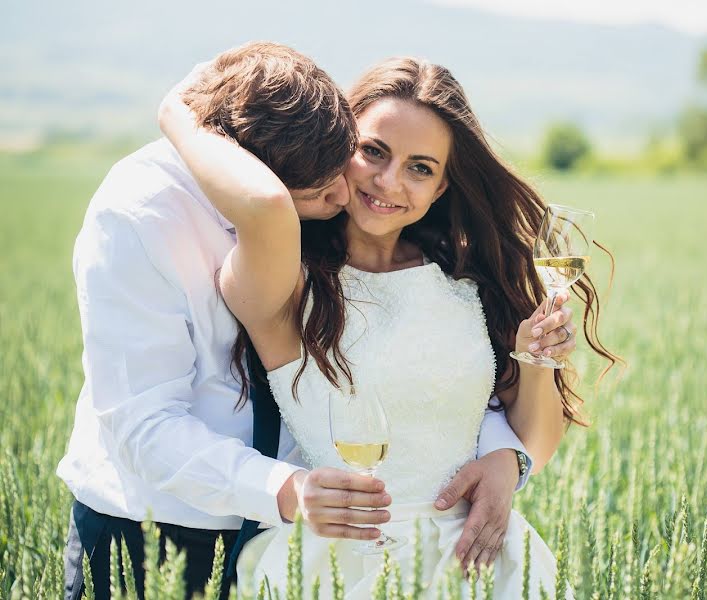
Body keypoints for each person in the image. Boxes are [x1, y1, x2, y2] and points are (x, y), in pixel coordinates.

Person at [59, 43, 535, 600]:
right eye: (317, 191)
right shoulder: (140, 214)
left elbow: (420, 372)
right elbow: (142, 424)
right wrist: (176, 111)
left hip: (290, 531)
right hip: (152, 526)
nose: (345, 194)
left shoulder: (300, 155)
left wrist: (503, 456)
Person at [159, 56, 618, 598]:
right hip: (339, 566)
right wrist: (177, 113)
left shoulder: (466, 281)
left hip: (476, 563)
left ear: (443, 187)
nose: (388, 181)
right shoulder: (286, 281)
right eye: (372, 151)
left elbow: (533, 446)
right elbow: (262, 204)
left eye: (420, 168)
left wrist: (536, 363)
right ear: (340, 146)